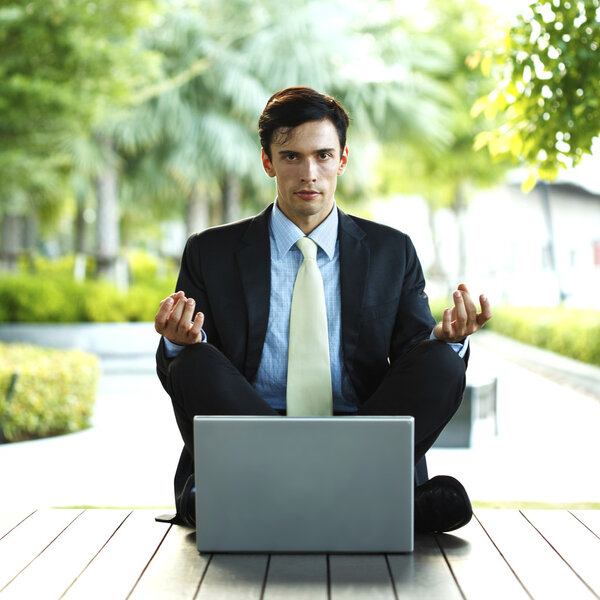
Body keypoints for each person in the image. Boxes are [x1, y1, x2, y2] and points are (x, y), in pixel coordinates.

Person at [155, 86, 492, 533]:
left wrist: (446, 341)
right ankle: (372, 502)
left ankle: (261, 499)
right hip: (252, 434)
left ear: (342, 160)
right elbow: (191, 377)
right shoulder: (210, 251)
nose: (308, 173)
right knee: (193, 365)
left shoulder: (393, 250)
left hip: (362, 433)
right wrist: (180, 344)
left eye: (323, 156)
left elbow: (414, 359)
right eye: (291, 156)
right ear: (268, 162)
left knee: (442, 364)